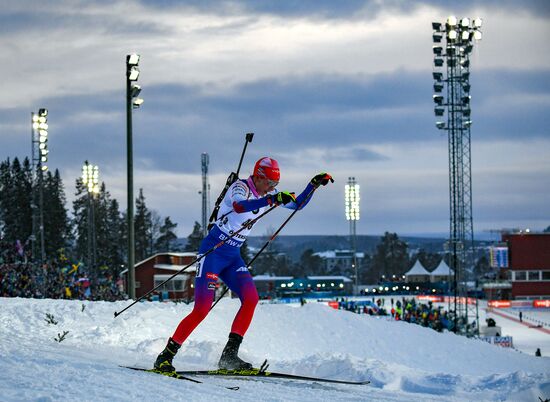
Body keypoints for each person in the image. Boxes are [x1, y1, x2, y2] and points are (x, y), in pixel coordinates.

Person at [153, 157, 333, 372]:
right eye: (269, 184)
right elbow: (239, 207)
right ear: (258, 177)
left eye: (275, 185)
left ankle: (229, 356)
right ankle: (165, 356)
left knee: (251, 299)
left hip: (232, 255)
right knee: (202, 309)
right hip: (213, 252)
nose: (271, 189)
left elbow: (298, 204)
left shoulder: (267, 194)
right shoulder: (240, 187)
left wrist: (312, 185)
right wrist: (272, 199)